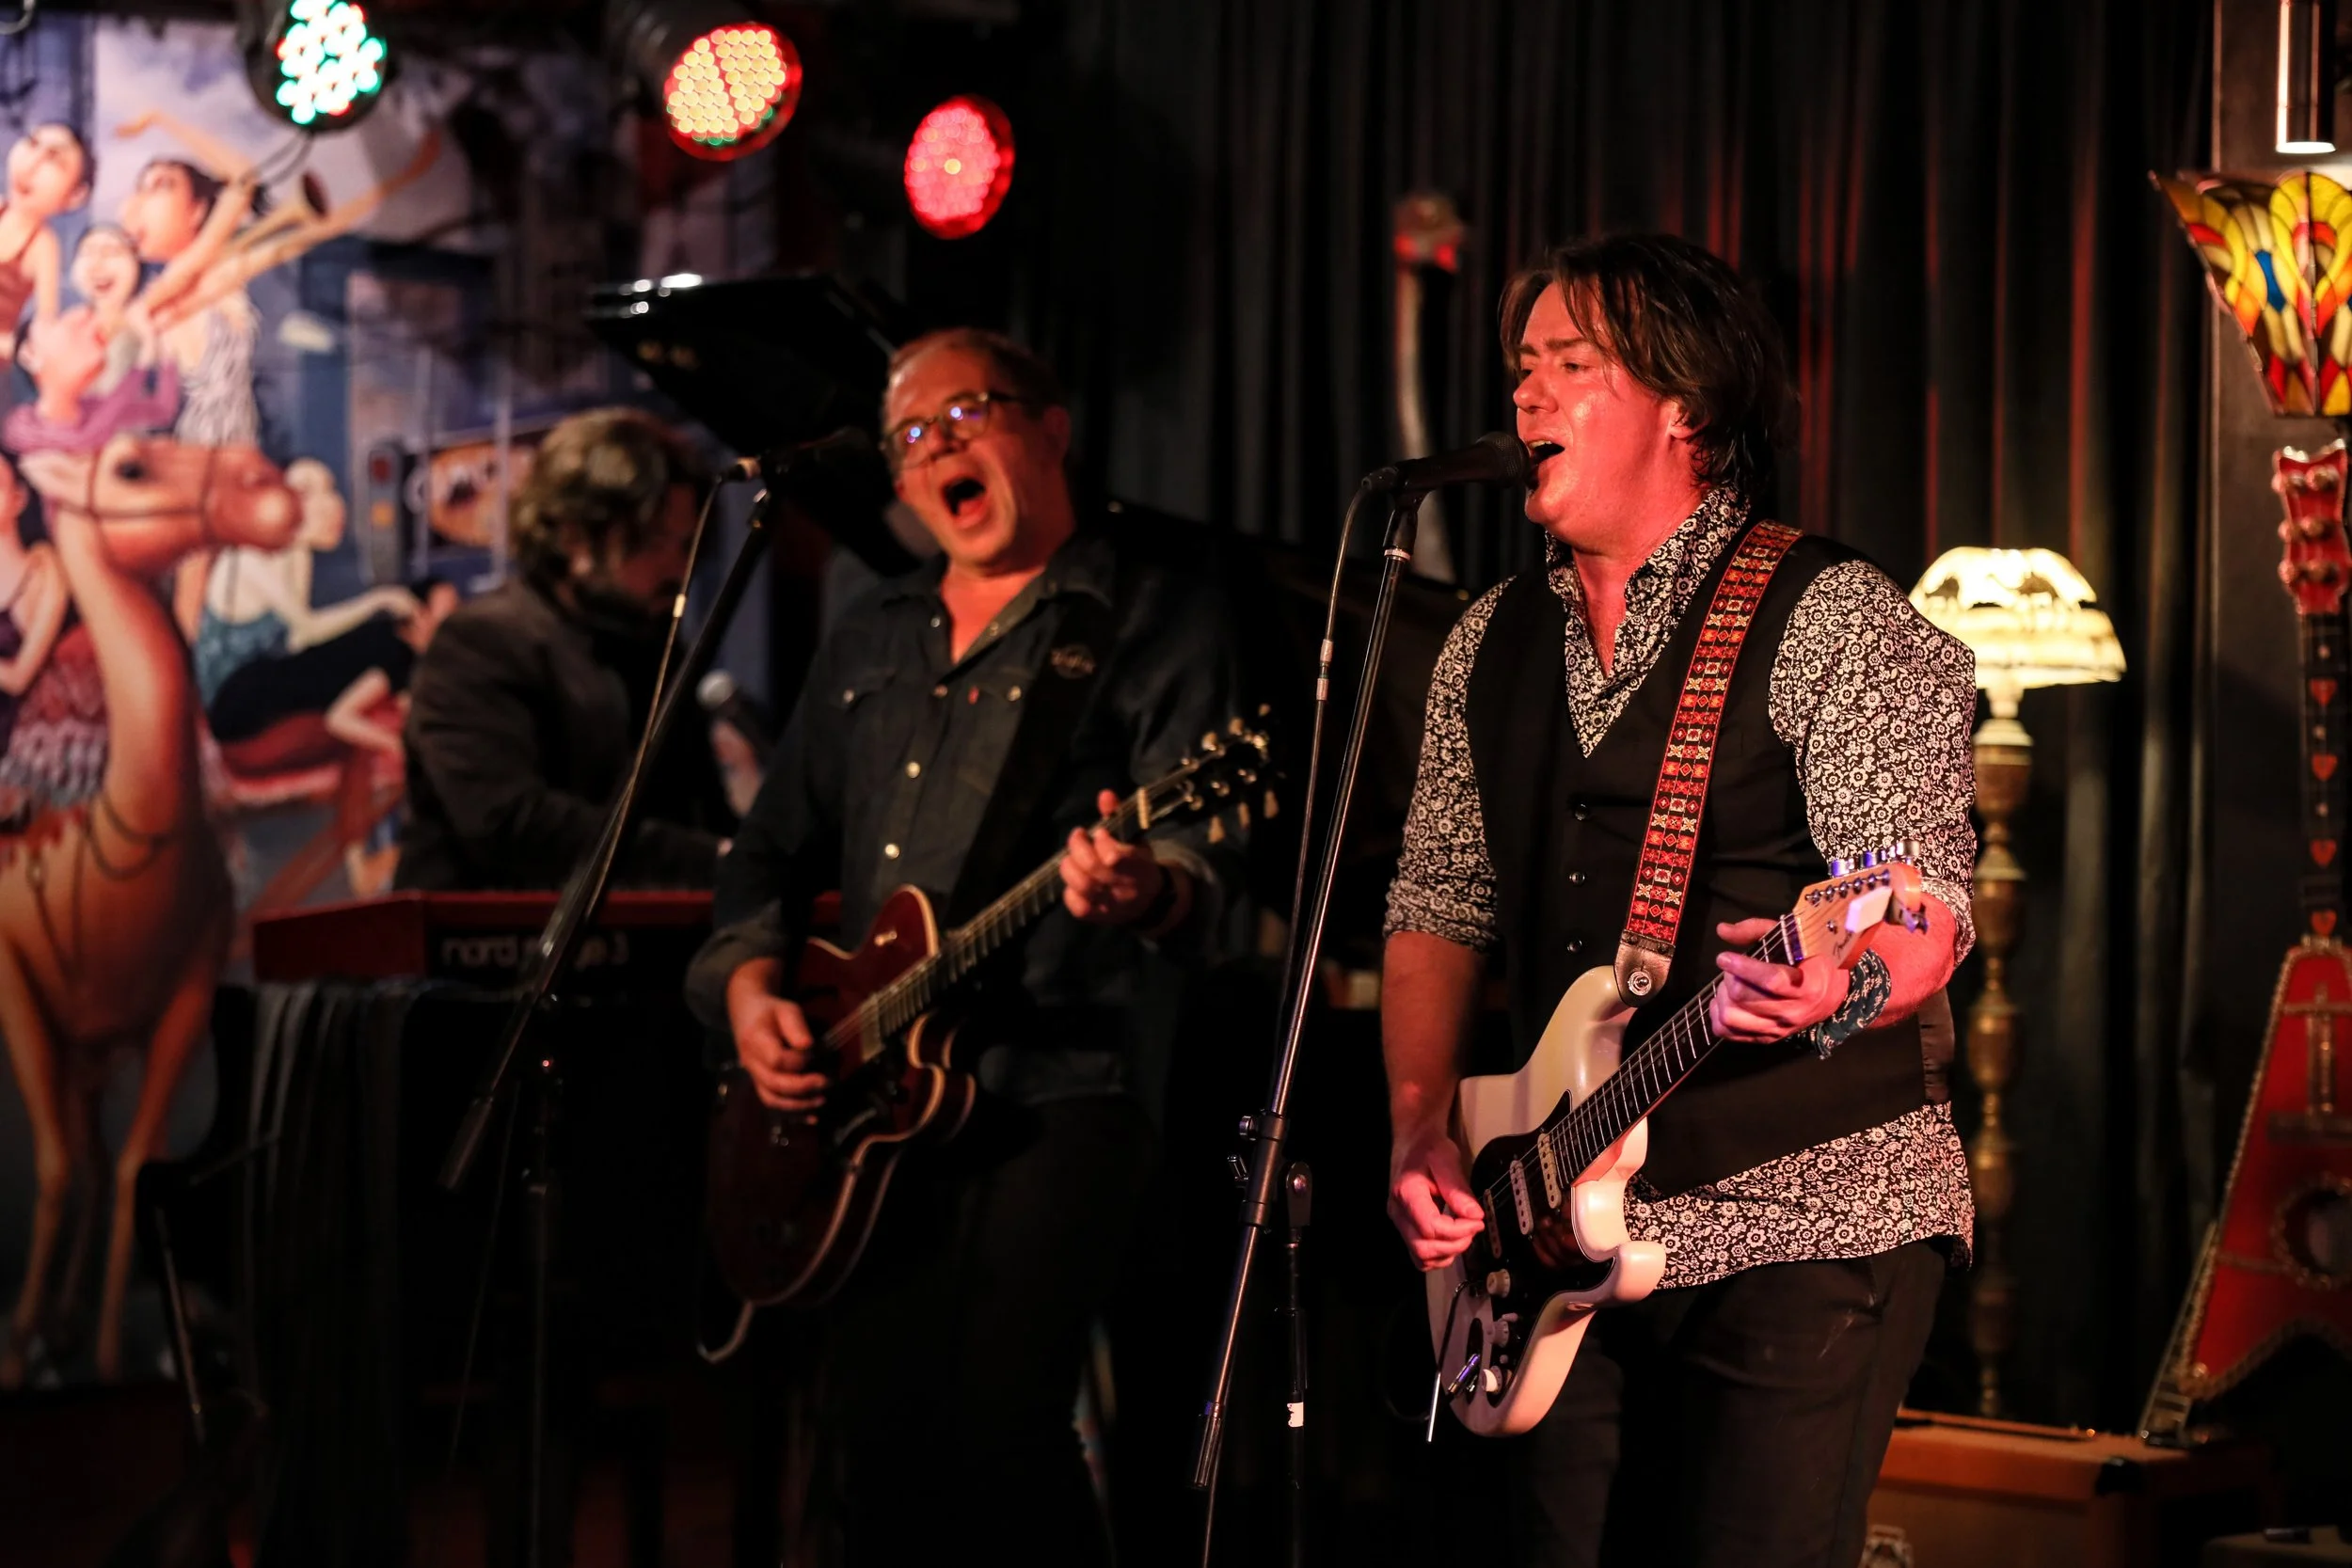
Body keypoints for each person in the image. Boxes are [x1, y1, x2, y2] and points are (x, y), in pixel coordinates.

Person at [1381, 234, 1977, 1568]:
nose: (1528, 397)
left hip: (1808, 1211)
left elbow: (1921, 895)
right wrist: (1422, 1122)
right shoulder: (1488, 638)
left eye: (1572, 366)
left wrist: (1846, 977)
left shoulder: (1837, 617)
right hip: (1555, 1225)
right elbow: (1438, 896)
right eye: (1521, 365)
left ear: (1683, 406)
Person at [683, 327, 1249, 1566]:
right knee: (879, 1447)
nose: (940, 445)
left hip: (1064, 1089)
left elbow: (1213, 873)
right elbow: (765, 861)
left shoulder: (1151, 612)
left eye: (968, 414)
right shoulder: (871, 638)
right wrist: (750, 992)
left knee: (1000, 1425)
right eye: (912, 437)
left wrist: (1142, 885)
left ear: (1048, 430)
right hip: (869, 1100)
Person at [396, 406, 731, 891]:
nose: (678, 568)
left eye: (686, 545)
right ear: (573, 534)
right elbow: (509, 823)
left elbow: (697, 808)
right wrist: (708, 859)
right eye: (654, 543)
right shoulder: (481, 643)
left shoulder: (653, 645)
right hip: (481, 955)